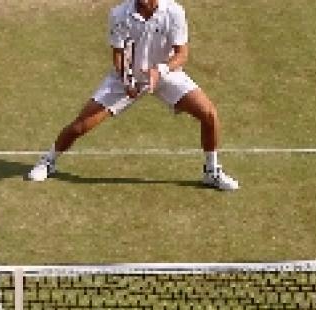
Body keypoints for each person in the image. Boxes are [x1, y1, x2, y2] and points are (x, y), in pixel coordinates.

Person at [26, 0, 239, 191]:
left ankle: (211, 171)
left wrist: (160, 71)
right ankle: (48, 161)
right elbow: (118, 55)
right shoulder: (119, 14)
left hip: (166, 74)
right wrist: (127, 80)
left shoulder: (174, 11)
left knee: (209, 114)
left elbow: (182, 54)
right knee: (80, 126)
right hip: (127, 79)